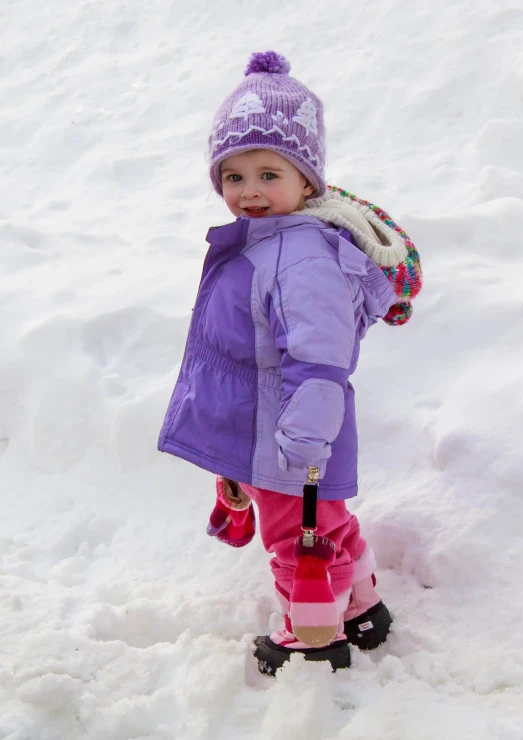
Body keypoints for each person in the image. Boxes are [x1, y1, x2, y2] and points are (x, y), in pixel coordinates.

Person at [158, 51, 421, 675]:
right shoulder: (274, 242)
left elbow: (322, 358)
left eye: (269, 173)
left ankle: (314, 632)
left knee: (293, 537)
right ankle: (361, 604)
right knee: (326, 519)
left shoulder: (301, 259)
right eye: (233, 176)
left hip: (284, 435)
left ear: (307, 182)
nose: (248, 191)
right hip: (273, 427)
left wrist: (303, 435)